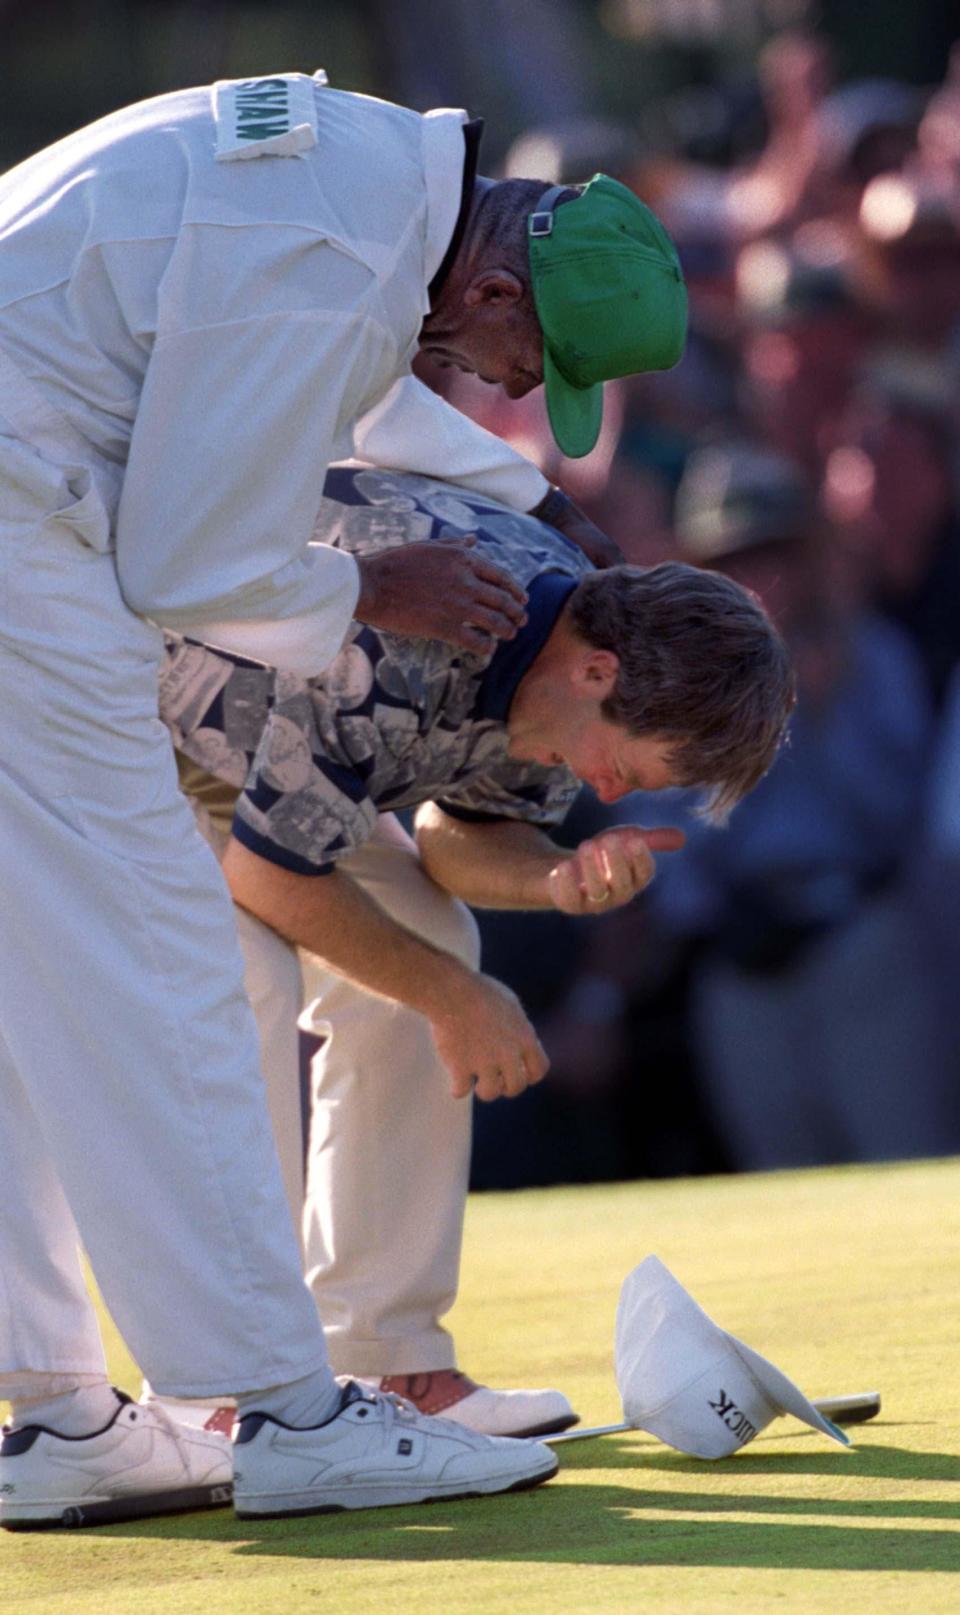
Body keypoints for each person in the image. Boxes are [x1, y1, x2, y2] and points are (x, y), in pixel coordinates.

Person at [0, 71, 690, 1529]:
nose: (510, 390)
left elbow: (357, 374)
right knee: (163, 955)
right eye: (527, 357)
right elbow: (188, 563)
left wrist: (545, 507)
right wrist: (369, 584)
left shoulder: (374, 183)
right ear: (496, 278)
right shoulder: (345, 255)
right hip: (21, 507)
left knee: (38, 977)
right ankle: (283, 1407)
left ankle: (62, 1413)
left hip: (27, 474)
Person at [152, 466, 794, 1439]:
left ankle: (388, 1360)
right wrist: (459, 999)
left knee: (429, 938)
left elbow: (455, 837)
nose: (608, 790)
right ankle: (232, 1387)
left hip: (269, 766)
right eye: (623, 765)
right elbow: (266, 876)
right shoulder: (411, 641)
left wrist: (554, 877)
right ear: (598, 674)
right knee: (249, 977)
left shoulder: (565, 663)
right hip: (122, 736)